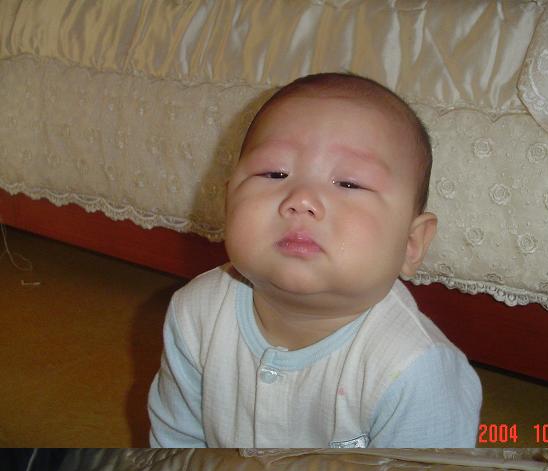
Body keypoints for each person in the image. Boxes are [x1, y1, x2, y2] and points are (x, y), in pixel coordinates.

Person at [149, 73, 481, 448]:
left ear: (410, 243)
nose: (301, 199)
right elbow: (176, 441)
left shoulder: (415, 371)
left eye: (349, 183)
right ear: (228, 204)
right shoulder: (194, 314)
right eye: (274, 173)